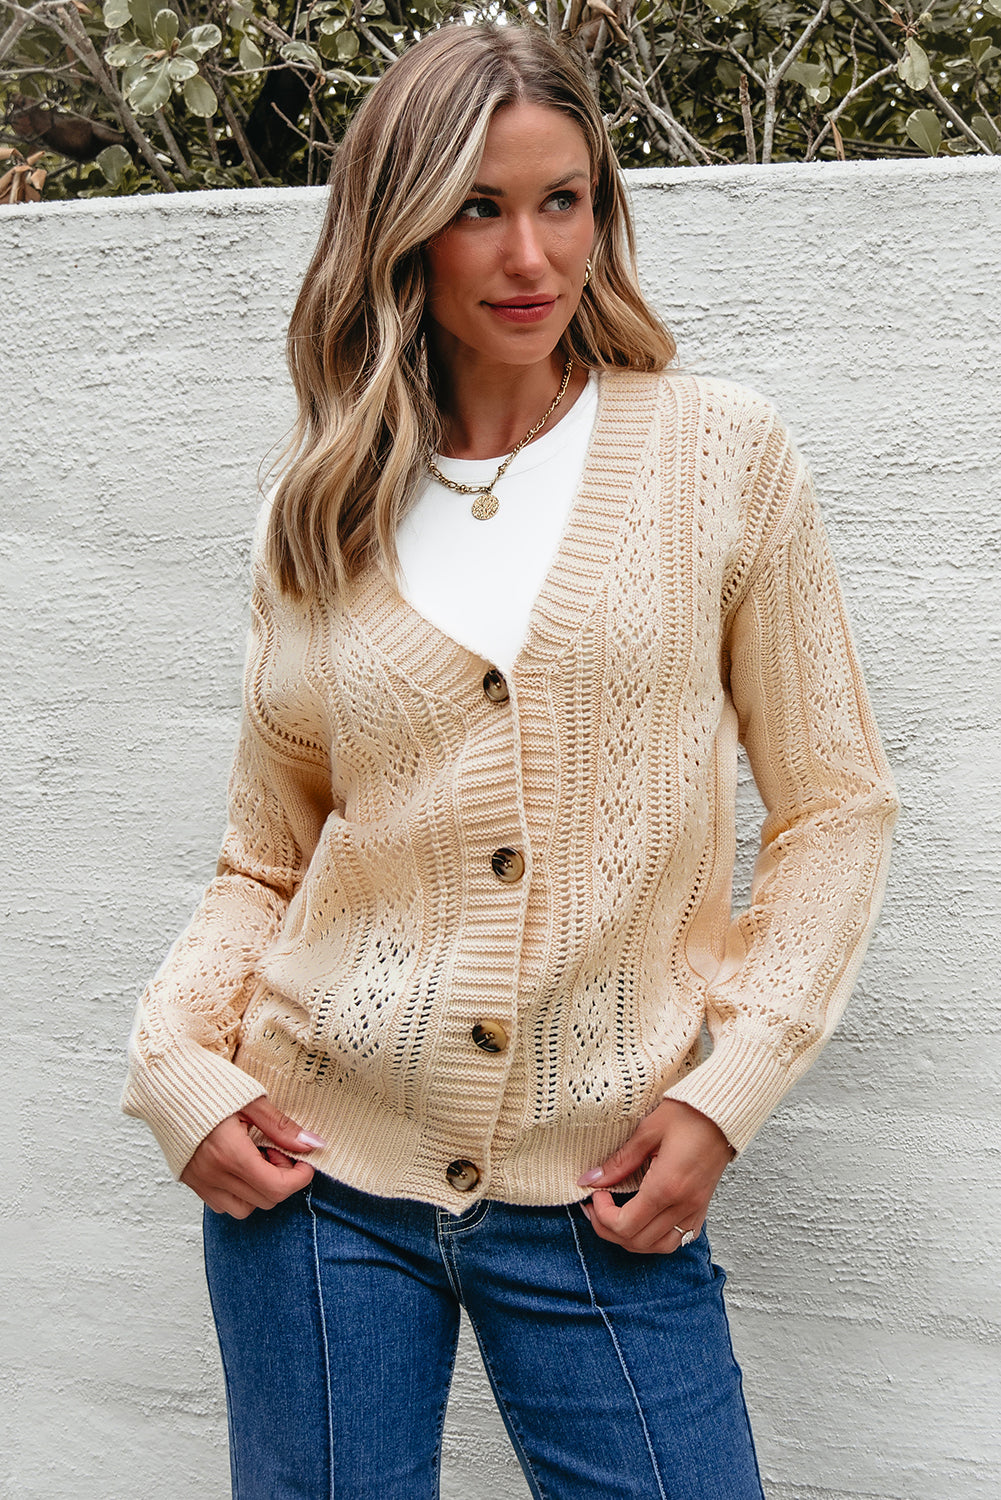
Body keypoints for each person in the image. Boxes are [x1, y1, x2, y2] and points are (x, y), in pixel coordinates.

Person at [122, 21, 898, 1500]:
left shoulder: (718, 454)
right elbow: (265, 861)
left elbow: (833, 807)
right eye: (478, 207)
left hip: (603, 1179)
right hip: (316, 1180)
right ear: (400, 229)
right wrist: (177, 1061)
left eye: (563, 200)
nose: (530, 255)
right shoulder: (324, 510)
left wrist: (729, 1087)